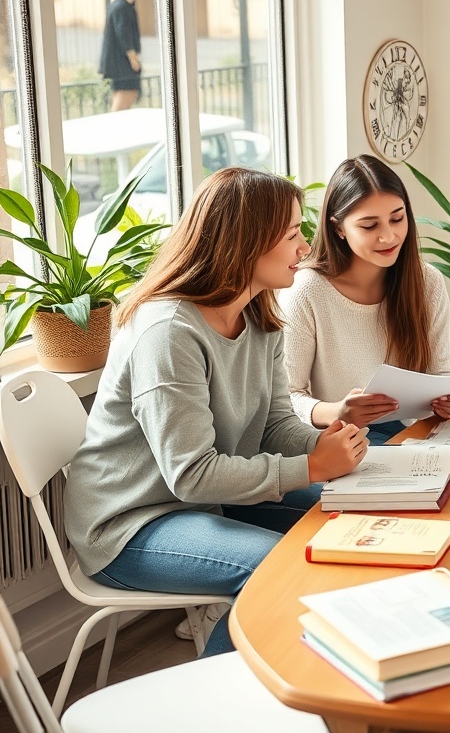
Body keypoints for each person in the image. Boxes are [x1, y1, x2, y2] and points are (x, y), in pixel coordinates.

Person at [64, 167, 369, 656]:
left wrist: (328, 443)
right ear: (245, 244)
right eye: (292, 234)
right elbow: (190, 475)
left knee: (357, 516)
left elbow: (274, 427)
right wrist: (313, 467)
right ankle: (218, 707)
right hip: (129, 524)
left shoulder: (260, 316)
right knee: (272, 569)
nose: (306, 248)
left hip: (205, 502)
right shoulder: (168, 332)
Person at [279, 154, 450, 446]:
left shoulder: (426, 281)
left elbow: (439, 372)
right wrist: (337, 412)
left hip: (412, 436)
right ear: (338, 228)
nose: (389, 236)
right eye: (370, 226)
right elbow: (286, 398)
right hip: (336, 440)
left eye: (397, 218)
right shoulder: (307, 291)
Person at [99, 0, 143, 111]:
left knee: (127, 98)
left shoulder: (126, 6)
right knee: (124, 98)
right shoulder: (120, 8)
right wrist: (133, 58)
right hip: (121, 65)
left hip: (122, 64)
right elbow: (123, 34)